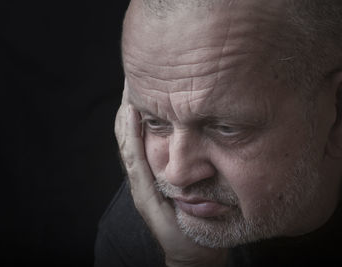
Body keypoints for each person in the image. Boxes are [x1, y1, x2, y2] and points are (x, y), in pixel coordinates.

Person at [95, 0, 342, 266]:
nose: (177, 174)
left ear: (336, 110)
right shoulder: (137, 237)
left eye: (226, 128)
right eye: (155, 122)